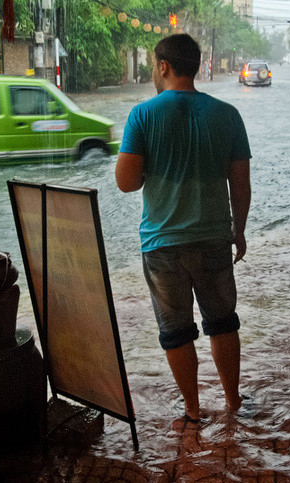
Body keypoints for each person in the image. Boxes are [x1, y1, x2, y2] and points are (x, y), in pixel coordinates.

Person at [116, 34, 252, 422]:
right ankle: (232, 400)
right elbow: (239, 184)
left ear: (163, 66)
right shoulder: (228, 115)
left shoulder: (142, 115)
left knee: (176, 330)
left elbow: (126, 182)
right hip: (213, 238)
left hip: (162, 243)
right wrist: (237, 231)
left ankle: (192, 409)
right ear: (195, 65)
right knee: (223, 322)